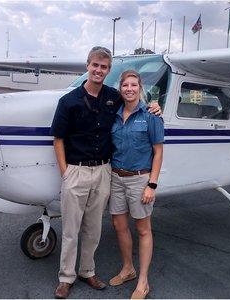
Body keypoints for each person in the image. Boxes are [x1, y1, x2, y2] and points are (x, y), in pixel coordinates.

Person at [50, 47, 161, 299]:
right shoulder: (68, 102)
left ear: (108, 70)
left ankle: (87, 271)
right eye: (95, 65)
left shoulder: (114, 96)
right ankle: (66, 277)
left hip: (103, 171)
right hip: (76, 171)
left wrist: (154, 105)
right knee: (71, 228)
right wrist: (65, 173)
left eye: (104, 67)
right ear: (87, 66)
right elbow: (58, 139)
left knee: (93, 228)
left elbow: (135, 102)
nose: (99, 70)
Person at [108, 70, 164, 299]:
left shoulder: (151, 115)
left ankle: (143, 281)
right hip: (115, 176)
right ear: (120, 88)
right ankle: (128, 269)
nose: (129, 89)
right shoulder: (114, 113)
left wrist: (152, 184)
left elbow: (158, 152)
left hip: (140, 178)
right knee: (119, 226)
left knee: (143, 230)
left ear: (139, 88)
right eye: (125, 85)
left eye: (133, 85)